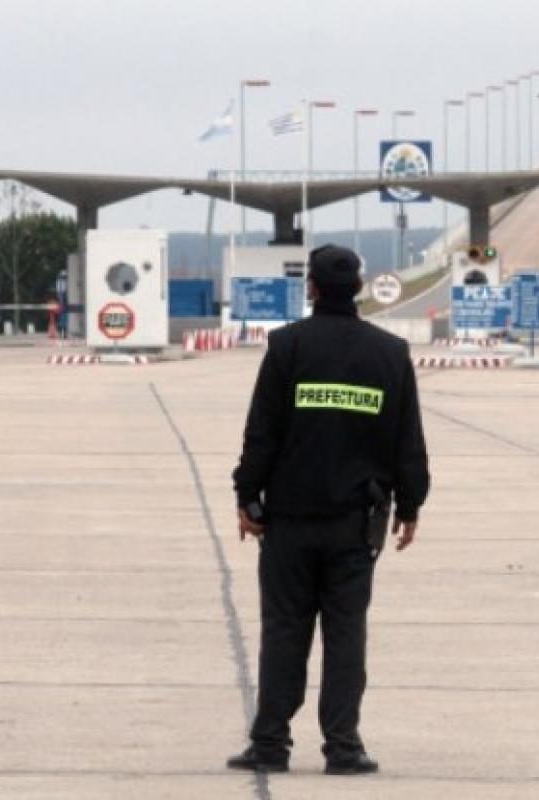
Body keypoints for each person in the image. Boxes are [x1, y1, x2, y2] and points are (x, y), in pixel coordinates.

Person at [226, 244, 429, 776]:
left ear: (311, 288)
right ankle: (343, 746)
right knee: (345, 636)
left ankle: (270, 742)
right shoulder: (390, 353)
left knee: (284, 631)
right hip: (355, 527)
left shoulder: (287, 347)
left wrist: (247, 496)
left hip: (289, 522)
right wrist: (411, 504)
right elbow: (407, 440)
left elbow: (261, 433)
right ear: (358, 288)